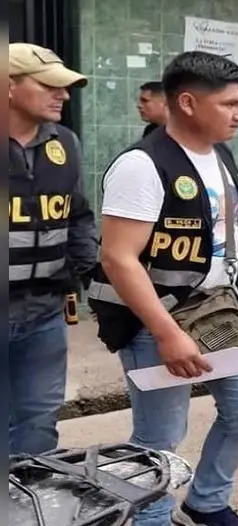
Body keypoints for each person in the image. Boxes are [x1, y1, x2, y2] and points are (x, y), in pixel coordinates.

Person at [86, 51, 238, 526]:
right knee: (158, 437)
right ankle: (151, 519)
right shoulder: (141, 166)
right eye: (230, 104)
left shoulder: (219, 155)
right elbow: (118, 257)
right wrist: (167, 334)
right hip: (157, 320)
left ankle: (207, 501)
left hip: (221, 311)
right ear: (187, 103)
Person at [8, 42, 98, 455]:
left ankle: (28, 510)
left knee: (39, 421)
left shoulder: (65, 142)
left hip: (45, 312)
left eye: (65, 87)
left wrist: (87, 274)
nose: (62, 94)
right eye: (49, 85)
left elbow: (77, 215)